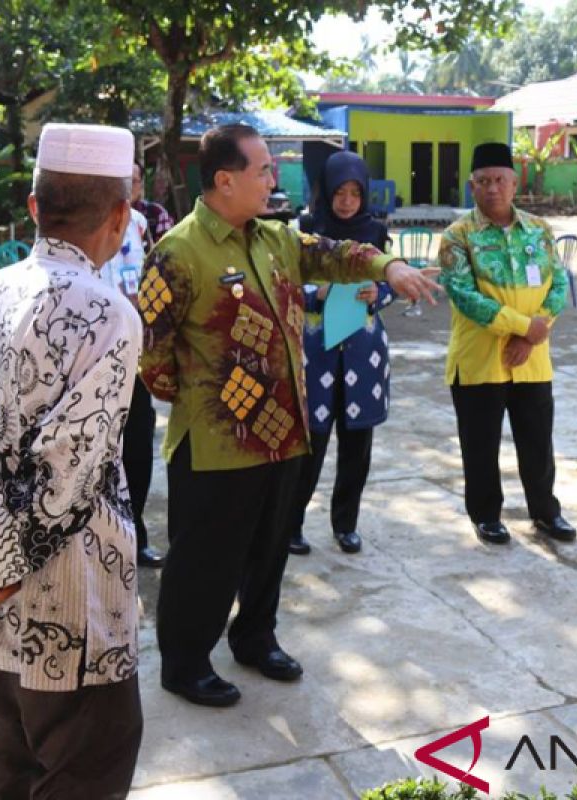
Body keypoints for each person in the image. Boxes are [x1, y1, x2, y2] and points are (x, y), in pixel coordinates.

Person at [139, 124, 440, 707]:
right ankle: (184, 661)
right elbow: (152, 354)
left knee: (269, 545)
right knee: (204, 559)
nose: (273, 179)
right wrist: (212, 400)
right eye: (263, 171)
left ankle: (254, 636)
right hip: (216, 442)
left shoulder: (276, 238)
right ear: (225, 180)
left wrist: (387, 268)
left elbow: (333, 254)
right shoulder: (177, 252)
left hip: (286, 431)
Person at [0, 123, 145, 796]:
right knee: (83, 770)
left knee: (11, 766)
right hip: (76, 616)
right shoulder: (108, 313)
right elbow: (59, 488)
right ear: (122, 213)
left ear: (36, 207)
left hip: (0, 607)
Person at [438, 142, 575, 547]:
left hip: (532, 360)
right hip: (480, 360)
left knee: (537, 441)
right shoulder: (457, 237)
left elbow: (559, 282)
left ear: (515, 183)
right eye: (483, 181)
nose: (492, 188)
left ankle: (546, 513)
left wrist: (535, 333)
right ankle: (486, 515)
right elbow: (463, 295)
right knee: (480, 445)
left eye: (500, 180)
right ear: (471, 186)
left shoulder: (539, 230)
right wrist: (522, 328)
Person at [289, 150, 395, 556]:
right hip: (315, 354)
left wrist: (378, 293)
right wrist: (316, 292)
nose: (347, 200)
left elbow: (389, 284)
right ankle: (292, 524)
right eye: (340, 192)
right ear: (326, 191)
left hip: (362, 353)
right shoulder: (304, 230)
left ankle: (345, 524)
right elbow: (283, 287)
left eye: (355, 192)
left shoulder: (376, 231)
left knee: (357, 444)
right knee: (309, 446)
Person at [99, 181, 165, 568]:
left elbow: (145, 275)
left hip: (133, 350)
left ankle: (135, 536)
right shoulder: (77, 221)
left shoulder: (138, 223)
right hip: (90, 354)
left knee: (137, 446)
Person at [131, 161, 175, 247]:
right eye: (124, 180)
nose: (128, 186)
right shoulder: (104, 215)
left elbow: (166, 253)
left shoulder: (157, 213)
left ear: (141, 185)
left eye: (133, 181)